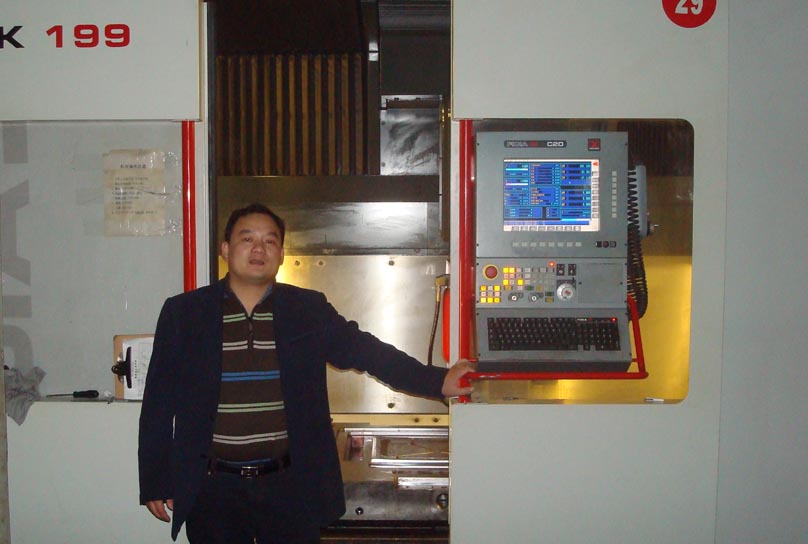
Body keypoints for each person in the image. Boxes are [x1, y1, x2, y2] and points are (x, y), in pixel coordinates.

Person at [138, 203, 474, 543]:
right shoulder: (185, 313)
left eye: (270, 241)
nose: (259, 249)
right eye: (247, 239)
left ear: (281, 254)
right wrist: (155, 479)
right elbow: (158, 404)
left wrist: (437, 381)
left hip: (288, 486)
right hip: (212, 489)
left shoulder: (306, 309)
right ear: (226, 249)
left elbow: (367, 352)